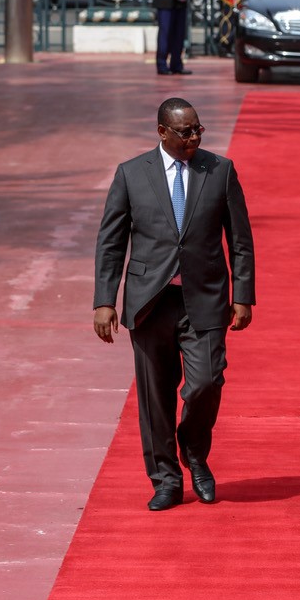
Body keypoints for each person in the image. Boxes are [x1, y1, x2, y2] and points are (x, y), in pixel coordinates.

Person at [93, 98, 256, 511]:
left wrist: (243, 296)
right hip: (149, 301)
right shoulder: (131, 174)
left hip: (204, 298)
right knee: (155, 397)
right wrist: (104, 301)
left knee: (206, 381)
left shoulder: (219, 170)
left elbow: (239, 241)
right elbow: (111, 242)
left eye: (198, 129)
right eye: (186, 132)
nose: (195, 138)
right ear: (162, 131)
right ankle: (165, 479)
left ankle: (194, 453)